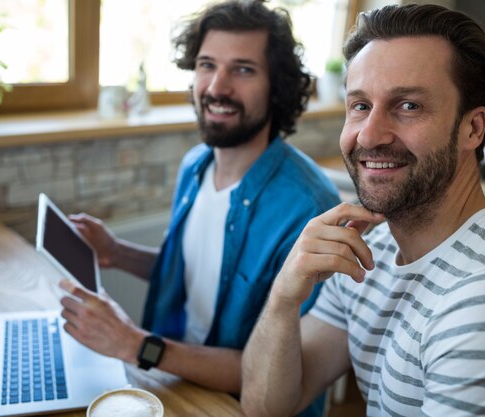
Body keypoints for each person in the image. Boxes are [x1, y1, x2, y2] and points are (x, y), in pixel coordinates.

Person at [242, 3, 485, 417]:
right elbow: (268, 407)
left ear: (472, 128)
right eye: (360, 105)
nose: (369, 134)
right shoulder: (372, 247)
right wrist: (283, 296)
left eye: (408, 106)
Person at [58, 1, 339, 416]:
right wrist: (116, 253)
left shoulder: (309, 211)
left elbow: (270, 377)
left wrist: (133, 344)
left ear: (276, 86)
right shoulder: (195, 165)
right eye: (207, 65)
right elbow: (196, 274)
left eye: (243, 69)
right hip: (174, 377)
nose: (217, 87)